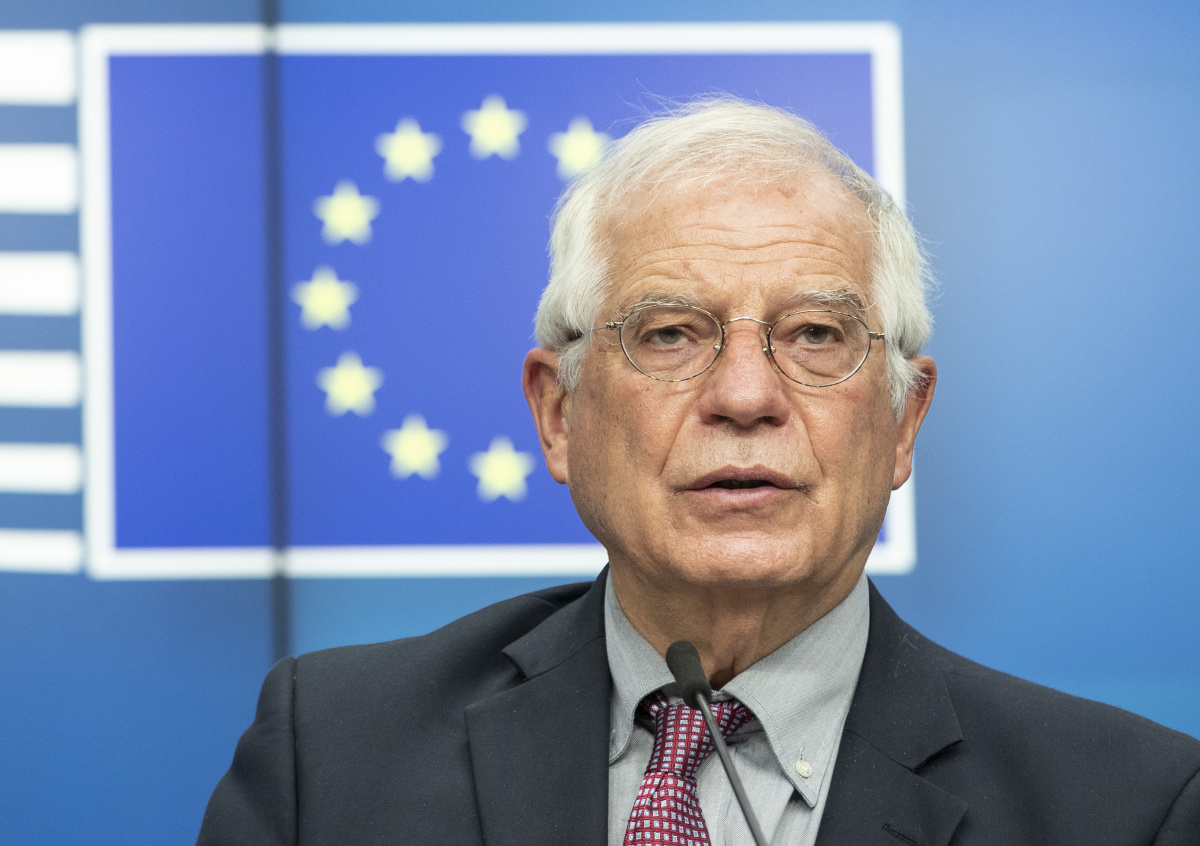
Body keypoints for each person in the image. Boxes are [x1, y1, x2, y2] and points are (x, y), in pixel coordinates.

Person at [196, 98, 1200, 846]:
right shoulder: (333, 756)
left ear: (903, 422)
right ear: (558, 414)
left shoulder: (1126, 808)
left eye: (816, 335)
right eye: (670, 334)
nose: (747, 396)